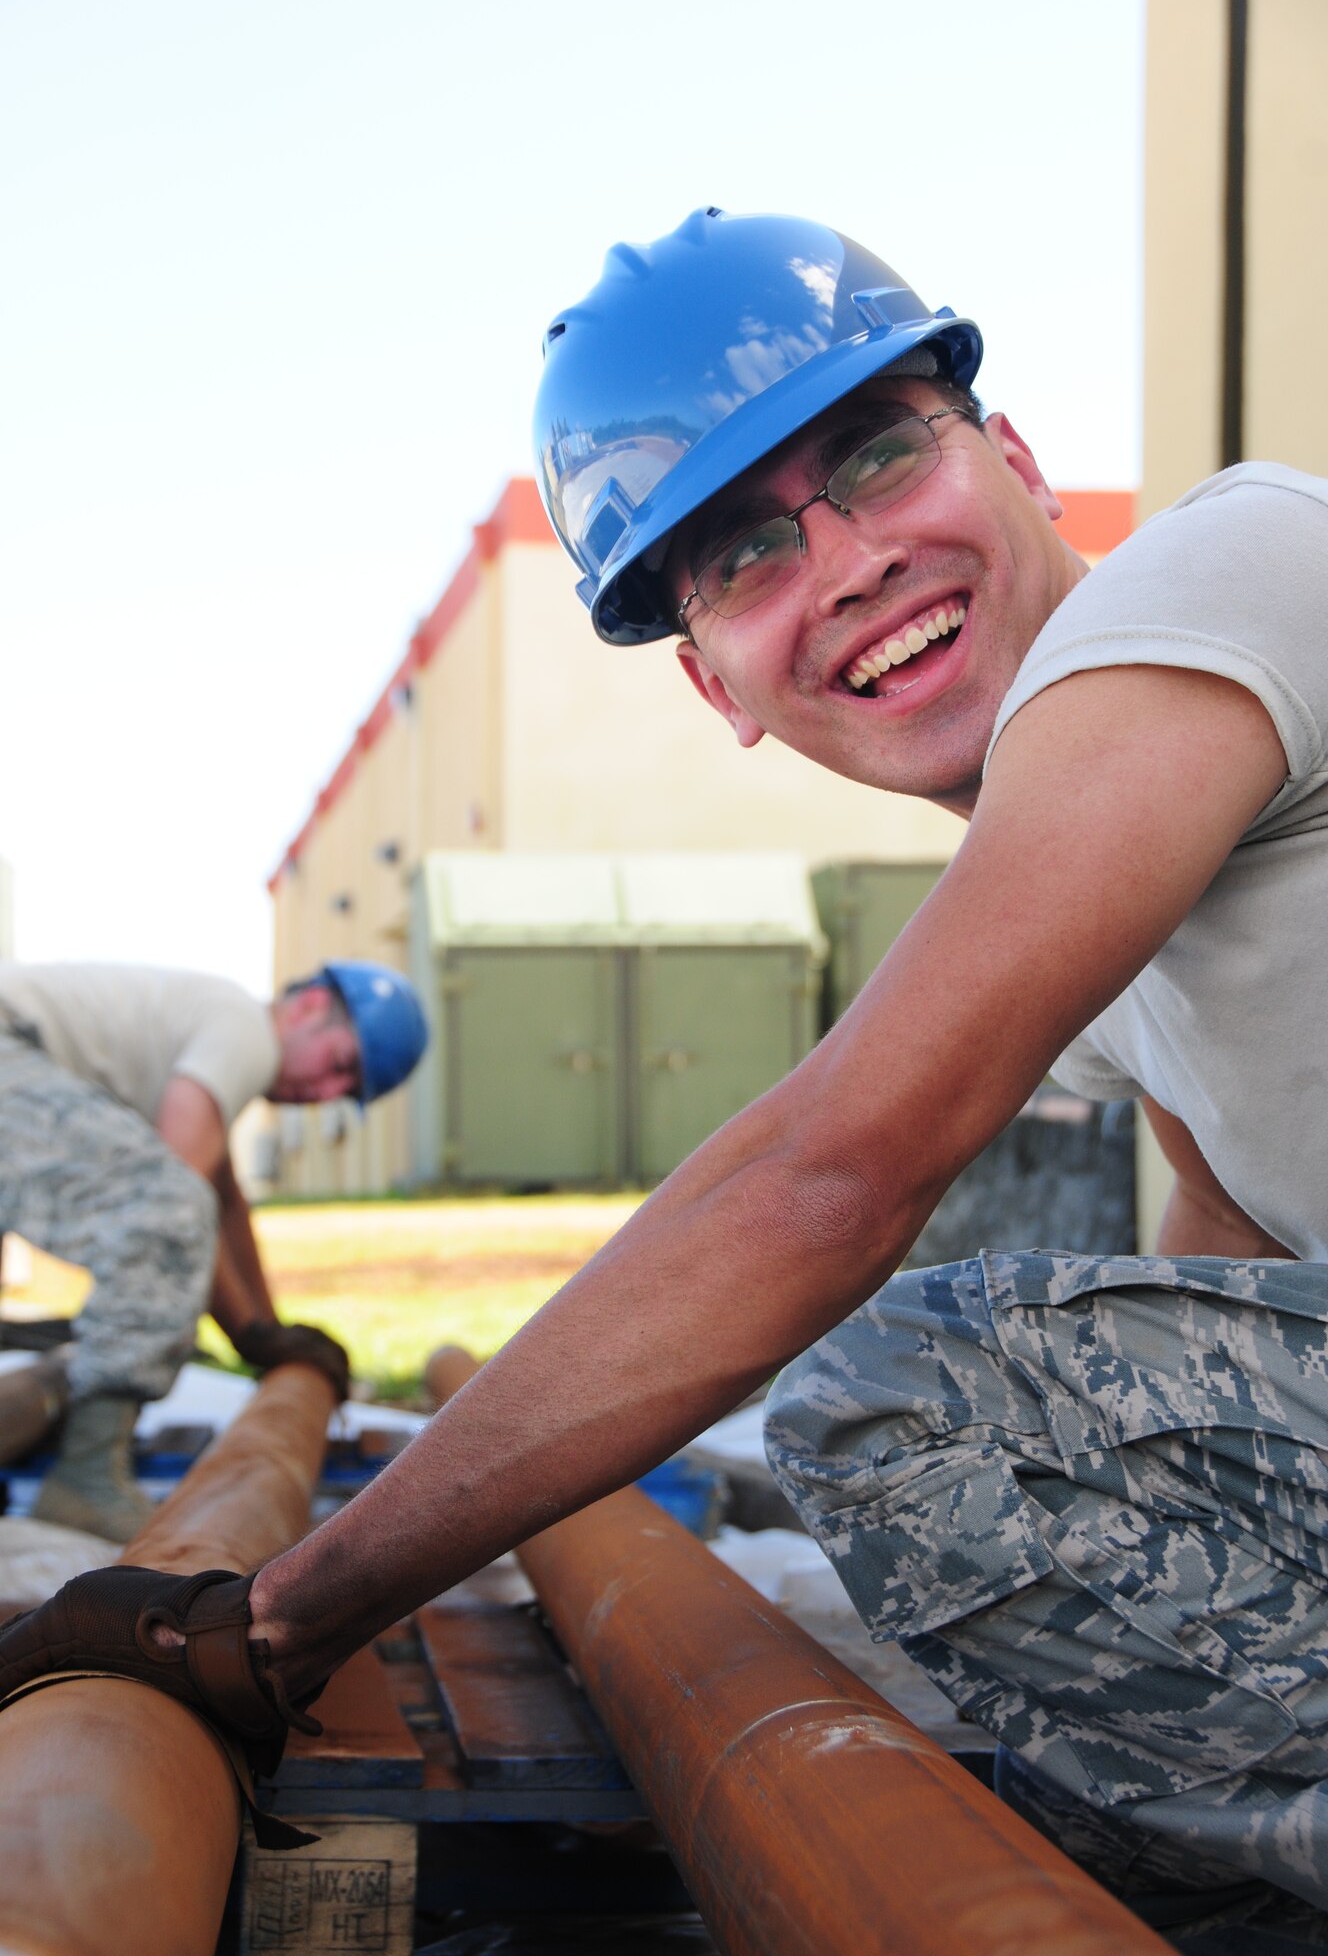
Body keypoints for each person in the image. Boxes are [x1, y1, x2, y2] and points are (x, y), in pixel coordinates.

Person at [5, 209, 1328, 1936]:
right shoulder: (1089, 884)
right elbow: (1226, 1236)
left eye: (874, 456)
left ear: (1011, 458)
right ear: (717, 686)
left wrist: (286, 1612)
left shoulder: (1226, 566)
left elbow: (826, 1176)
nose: (844, 561)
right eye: (742, 556)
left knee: (904, 1393)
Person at [0, 957, 428, 1539]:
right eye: (340, 1066)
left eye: (345, 1092)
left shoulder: (212, 1041)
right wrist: (250, 1336)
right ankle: (87, 1477)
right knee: (165, 1206)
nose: (326, 1093)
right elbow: (176, 1196)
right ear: (308, 1007)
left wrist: (270, 1331)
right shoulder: (244, 1030)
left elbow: (226, 1204)